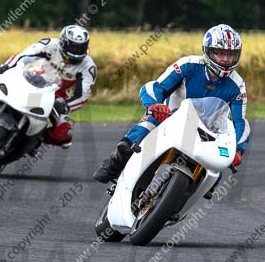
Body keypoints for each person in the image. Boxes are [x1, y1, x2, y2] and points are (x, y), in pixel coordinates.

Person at [93, 24, 250, 183]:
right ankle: (114, 162)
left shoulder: (238, 85)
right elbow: (154, 87)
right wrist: (154, 105)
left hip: (206, 133)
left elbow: (240, 122)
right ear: (208, 51)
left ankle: (180, 201)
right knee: (148, 124)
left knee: (214, 178)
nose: (226, 59)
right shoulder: (187, 65)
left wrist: (237, 150)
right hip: (171, 119)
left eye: (230, 55)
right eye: (220, 53)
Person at [0, 24, 97, 148]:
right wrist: (6, 66)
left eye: (80, 47)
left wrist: (66, 106)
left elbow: (82, 96)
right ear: (63, 42)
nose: (76, 51)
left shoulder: (88, 66)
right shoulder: (50, 44)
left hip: (56, 96)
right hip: (33, 78)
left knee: (65, 135)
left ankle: (36, 137)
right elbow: (23, 55)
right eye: (72, 46)